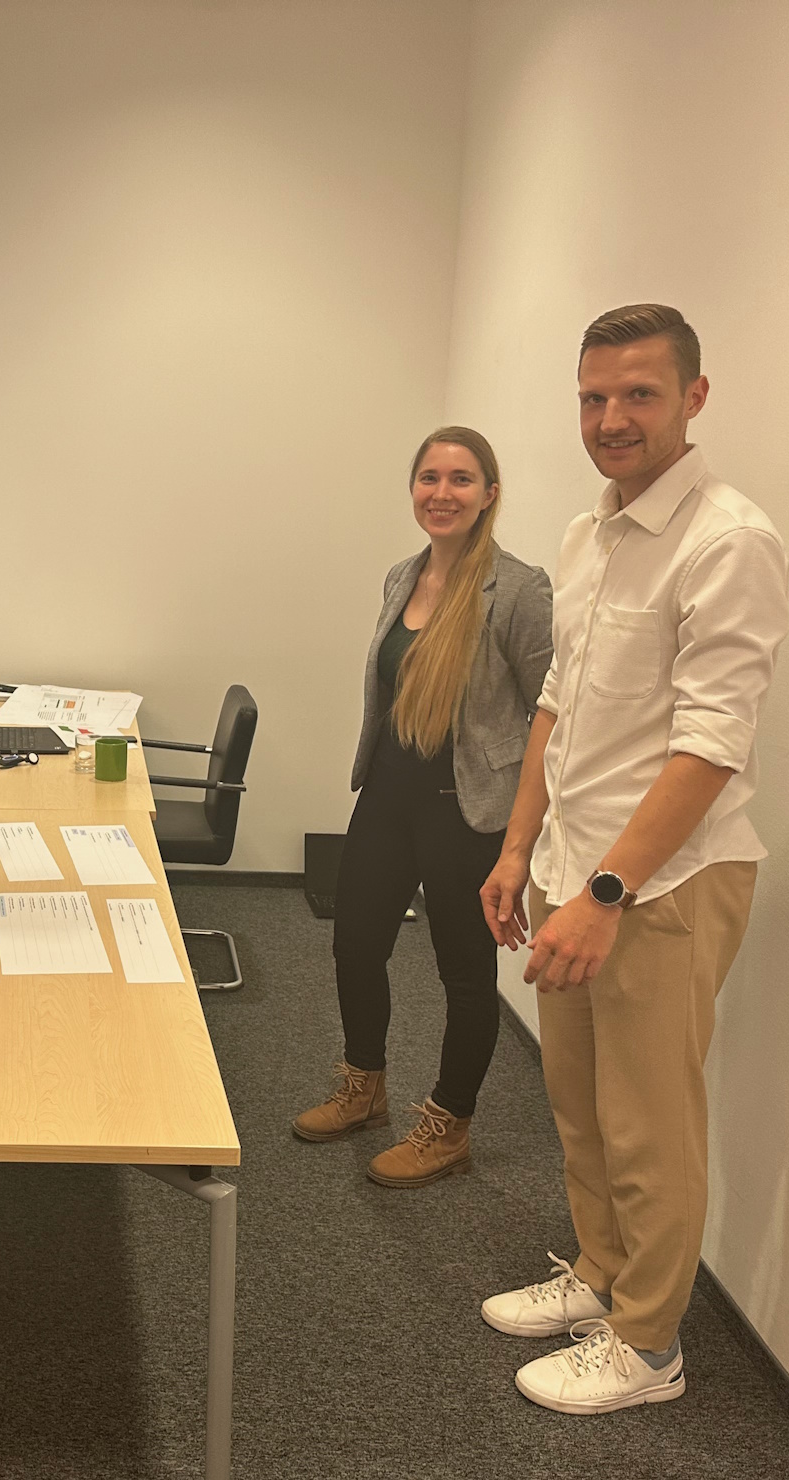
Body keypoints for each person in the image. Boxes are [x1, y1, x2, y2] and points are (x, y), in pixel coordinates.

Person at [477, 305, 789, 1414]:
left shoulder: (728, 540)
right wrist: (521, 847)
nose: (611, 418)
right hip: (573, 867)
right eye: (593, 397)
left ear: (694, 398)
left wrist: (608, 891)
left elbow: (712, 744)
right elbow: (558, 704)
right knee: (579, 1104)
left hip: (663, 884)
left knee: (651, 1123)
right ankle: (601, 1275)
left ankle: (649, 1344)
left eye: (640, 394)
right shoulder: (589, 534)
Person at [292, 427, 553, 1186]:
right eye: (429, 478)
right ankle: (363, 1088)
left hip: (465, 807)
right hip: (388, 793)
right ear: (413, 490)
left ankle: (448, 1125)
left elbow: (550, 709)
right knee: (354, 945)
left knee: (463, 972)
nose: (442, 493)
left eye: (461, 479)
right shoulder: (401, 576)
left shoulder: (520, 589)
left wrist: (524, 838)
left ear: (490, 494)